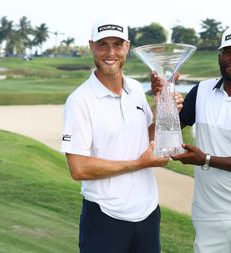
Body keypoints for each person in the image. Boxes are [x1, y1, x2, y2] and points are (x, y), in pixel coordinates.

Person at [152, 25, 231, 253]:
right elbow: (167, 130)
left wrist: (206, 159)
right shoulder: (201, 91)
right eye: (228, 52)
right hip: (207, 214)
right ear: (219, 57)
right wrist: (164, 98)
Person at [61, 17, 170, 253]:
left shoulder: (136, 89)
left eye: (117, 44)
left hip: (148, 214)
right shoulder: (80, 101)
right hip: (105, 217)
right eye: (103, 45)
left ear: (127, 47)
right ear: (91, 46)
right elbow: (78, 168)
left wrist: (163, 107)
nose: (110, 52)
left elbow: (146, 136)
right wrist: (139, 164)